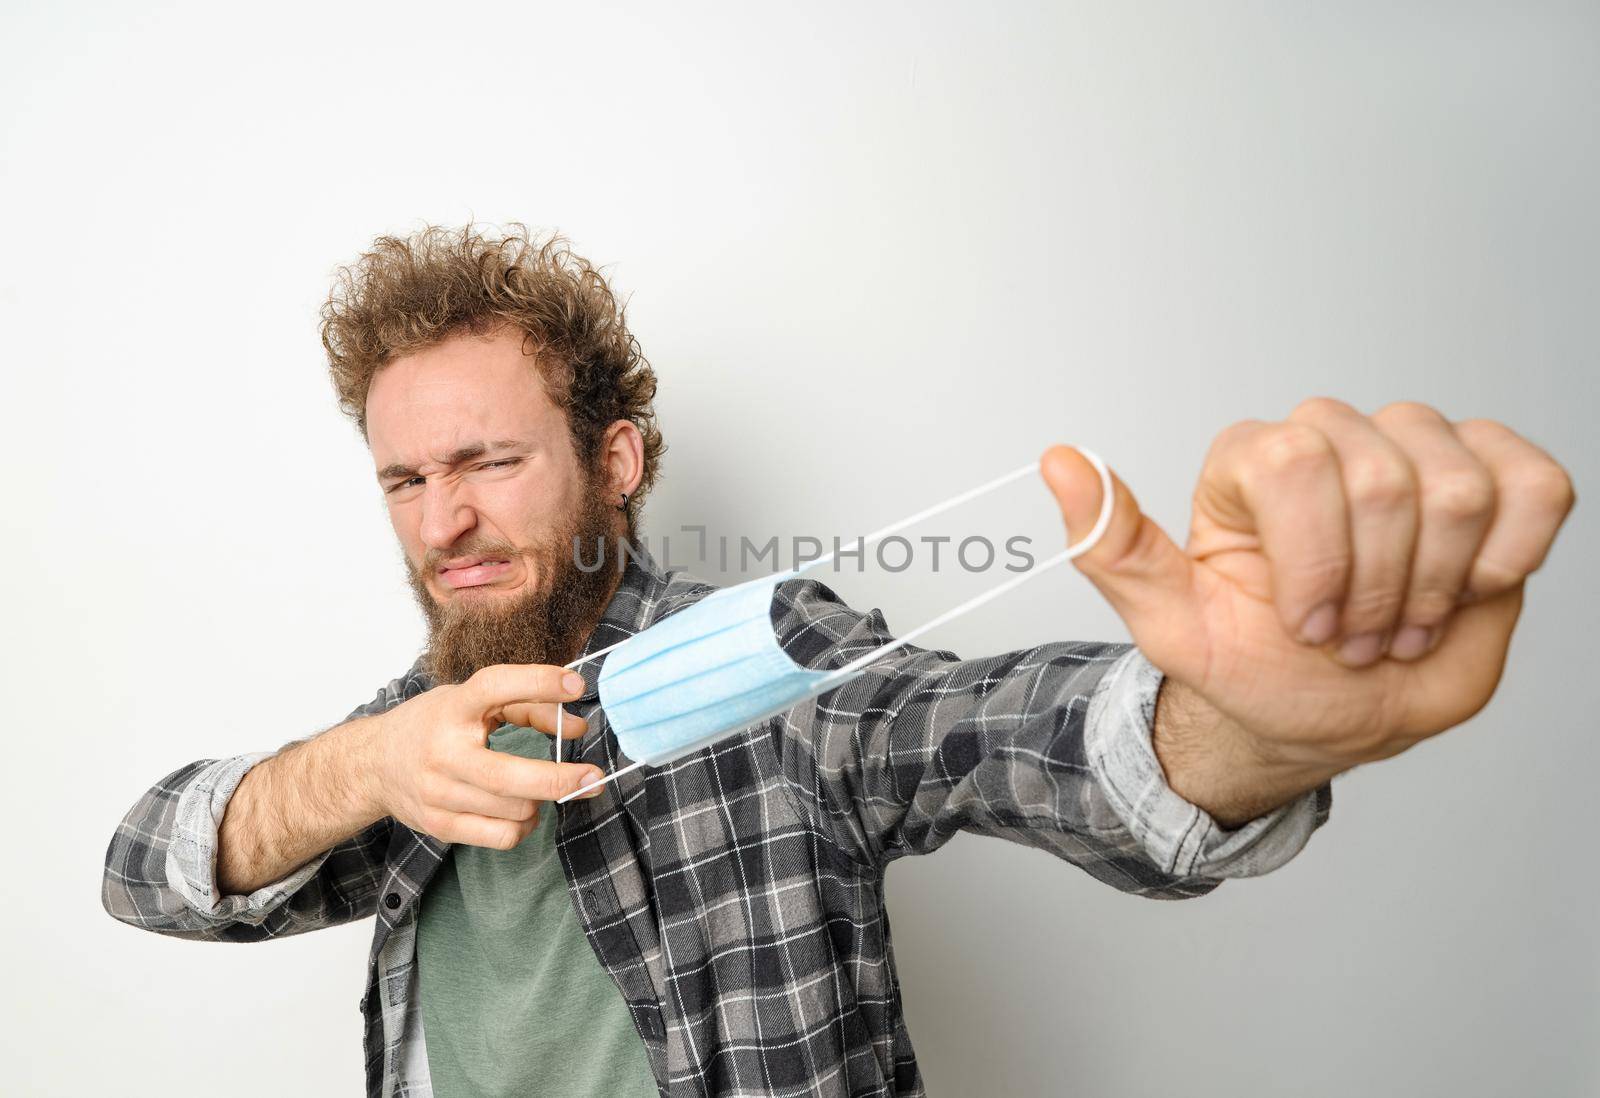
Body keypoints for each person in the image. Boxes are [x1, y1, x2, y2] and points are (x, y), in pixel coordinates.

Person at [101, 224, 1576, 1098]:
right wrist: (370, 762)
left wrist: (1249, 724)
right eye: (406, 480)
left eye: (487, 460)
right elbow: (147, 867)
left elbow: (1029, 738)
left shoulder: (778, 677)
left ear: (613, 460)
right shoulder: (411, 742)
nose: (449, 519)